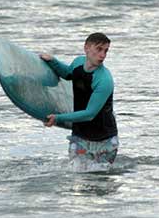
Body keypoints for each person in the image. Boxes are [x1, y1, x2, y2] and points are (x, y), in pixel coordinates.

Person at [40, 32, 119, 166]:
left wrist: (58, 118)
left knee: (101, 182)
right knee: (77, 176)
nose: (103, 55)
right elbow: (68, 73)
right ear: (87, 48)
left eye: (106, 51)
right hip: (80, 136)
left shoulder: (104, 80)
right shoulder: (78, 62)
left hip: (105, 140)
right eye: (99, 49)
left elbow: (89, 114)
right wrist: (52, 61)